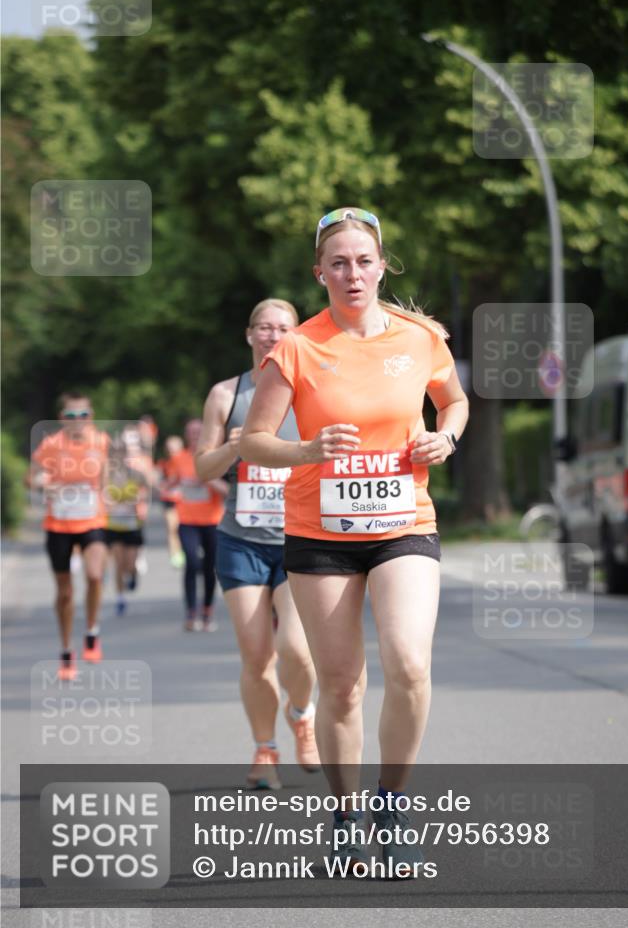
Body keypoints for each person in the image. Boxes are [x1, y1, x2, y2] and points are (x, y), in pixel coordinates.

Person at [240, 208, 469, 872]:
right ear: (319, 272)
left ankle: (390, 810)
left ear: (382, 265)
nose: (351, 273)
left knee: (410, 665)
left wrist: (444, 437)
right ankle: (343, 821)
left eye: (362, 261)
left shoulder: (419, 336)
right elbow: (254, 441)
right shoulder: (296, 348)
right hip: (320, 533)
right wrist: (307, 448)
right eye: (336, 263)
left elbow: (453, 401)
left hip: (403, 523)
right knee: (341, 687)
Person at [195, 299, 320, 790]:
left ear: (296, 336)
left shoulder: (311, 391)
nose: (272, 335)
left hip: (300, 537)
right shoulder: (227, 394)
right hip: (241, 540)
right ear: (249, 335)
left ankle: (302, 712)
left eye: (282, 328)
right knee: (255, 655)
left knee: (297, 651)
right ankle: (266, 748)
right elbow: (202, 468)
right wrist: (235, 444)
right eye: (264, 327)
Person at [28, 392, 110, 679]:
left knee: (95, 575)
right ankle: (66, 650)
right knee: (65, 593)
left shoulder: (100, 442)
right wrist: (42, 484)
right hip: (59, 524)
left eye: (83, 416)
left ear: (91, 417)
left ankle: (91, 630)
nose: (78, 421)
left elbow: (109, 476)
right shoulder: (51, 445)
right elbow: (33, 476)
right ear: (62, 418)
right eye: (72, 416)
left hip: (92, 520)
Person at [165, 419, 225, 631]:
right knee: (191, 562)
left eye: (199, 432)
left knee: (209, 567)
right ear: (185, 435)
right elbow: (168, 484)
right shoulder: (178, 458)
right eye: (191, 432)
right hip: (187, 520)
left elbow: (228, 491)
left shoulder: (215, 457)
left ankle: (207, 609)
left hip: (212, 521)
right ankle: (191, 612)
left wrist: (208, 480)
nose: (195, 436)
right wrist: (170, 487)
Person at [105, 423, 155, 616]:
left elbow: (150, 488)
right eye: (115, 451)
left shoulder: (135, 473)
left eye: (121, 451)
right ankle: (120, 598)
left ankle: (133, 575)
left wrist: (141, 499)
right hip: (113, 523)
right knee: (118, 563)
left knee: (130, 564)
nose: (118, 455)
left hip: (133, 523)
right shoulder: (106, 474)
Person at [156, 435, 185, 567]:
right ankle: (175, 554)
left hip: (184, 500)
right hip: (169, 499)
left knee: (182, 528)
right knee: (172, 528)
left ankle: (185, 550)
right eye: (169, 449)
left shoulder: (187, 460)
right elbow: (157, 481)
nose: (172, 452)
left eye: (174, 449)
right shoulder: (163, 463)